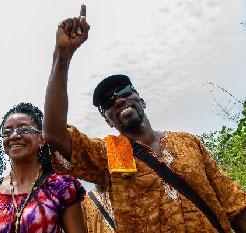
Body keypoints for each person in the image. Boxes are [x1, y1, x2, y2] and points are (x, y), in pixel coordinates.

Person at [43, 5, 246, 233]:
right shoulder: (110, 154)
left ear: (141, 99)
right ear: (108, 120)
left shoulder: (189, 143)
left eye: (123, 92)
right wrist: (62, 56)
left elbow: (234, 205)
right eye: (108, 101)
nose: (118, 100)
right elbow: (53, 134)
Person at [0, 102, 87, 233]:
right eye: (7, 132)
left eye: (24, 129)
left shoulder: (60, 187)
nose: (14, 136)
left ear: (41, 139)